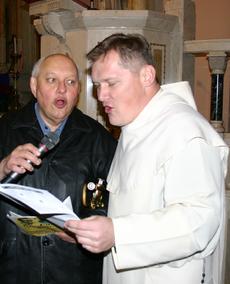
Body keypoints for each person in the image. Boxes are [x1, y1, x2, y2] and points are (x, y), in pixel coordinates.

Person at [60, 33, 229, 284]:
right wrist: (94, 230)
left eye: (111, 83)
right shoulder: (135, 126)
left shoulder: (184, 131)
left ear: (146, 76)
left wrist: (117, 233)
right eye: (97, 85)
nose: (101, 95)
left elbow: (199, 221)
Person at [0, 53, 117, 284]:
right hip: (13, 268)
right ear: (34, 86)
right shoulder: (5, 130)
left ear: (78, 91)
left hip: (74, 270)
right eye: (52, 80)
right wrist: (2, 167)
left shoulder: (99, 140)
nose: (62, 89)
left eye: (70, 82)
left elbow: (117, 201)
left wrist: (89, 230)